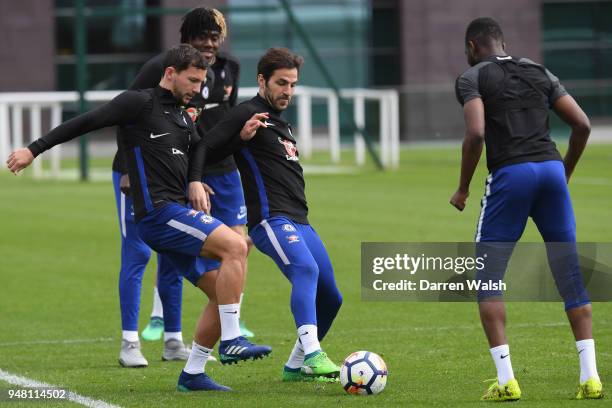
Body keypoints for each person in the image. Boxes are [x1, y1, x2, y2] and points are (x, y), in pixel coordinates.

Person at [7, 44, 271, 392]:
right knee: (236, 246)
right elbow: (85, 122)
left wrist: (240, 138)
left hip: (178, 214)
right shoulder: (137, 102)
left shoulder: (182, 115)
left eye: (201, 81)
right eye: (192, 80)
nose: (197, 88)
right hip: (159, 214)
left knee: (225, 295)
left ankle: (192, 374)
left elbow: (203, 154)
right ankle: (233, 339)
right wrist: (33, 149)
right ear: (170, 73)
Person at [450, 17, 602, 401]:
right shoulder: (539, 70)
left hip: (511, 175)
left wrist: (463, 188)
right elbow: (582, 124)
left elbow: (477, 133)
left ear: (472, 47)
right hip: (550, 170)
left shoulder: (473, 78)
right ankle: (591, 378)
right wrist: (563, 172)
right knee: (569, 271)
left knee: (488, 277)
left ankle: (506, 381)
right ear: (501, 42)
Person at [188, 47, 343, 381]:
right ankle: (314, 355)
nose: (288, 90)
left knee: (332, 297)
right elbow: (204, 146)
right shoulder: (246, 112)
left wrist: (242, 141)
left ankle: (296, 366)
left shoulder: (280, 122)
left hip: (300, 221)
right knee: (305, 269)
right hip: (271, 219)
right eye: (281, 83)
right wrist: (196, 181)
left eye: (292, 84)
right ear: (262, 80)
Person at [111, 6, 253, 368]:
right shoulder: (160, 68)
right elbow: (123, 114)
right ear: (184, 40)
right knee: (139, 252)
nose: (208, 44)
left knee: (185, 254)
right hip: (142, 174)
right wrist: (129, 168)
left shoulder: (220, 71)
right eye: (201, 37)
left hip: (188, 173)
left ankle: (176, 339)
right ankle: (130, 342)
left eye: (214, 38)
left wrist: (197, 175)